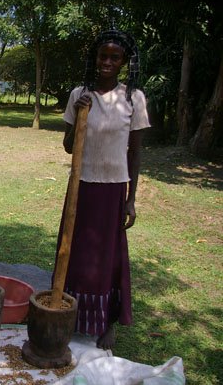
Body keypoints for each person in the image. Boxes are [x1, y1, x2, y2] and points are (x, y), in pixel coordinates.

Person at [55, 29, 150, 350]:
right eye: (102, 56)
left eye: (115, 57)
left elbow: (135, 153)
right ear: (94, 58)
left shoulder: (132, 99)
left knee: (108, 257)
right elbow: (69, 146)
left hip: (112, 191)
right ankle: (67, 312)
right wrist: (81, 111)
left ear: (124, 63)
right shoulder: (78, 94)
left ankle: (107, 323)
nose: (107, 62)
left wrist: (131, 199)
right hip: (80, 187)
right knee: (74, 251)